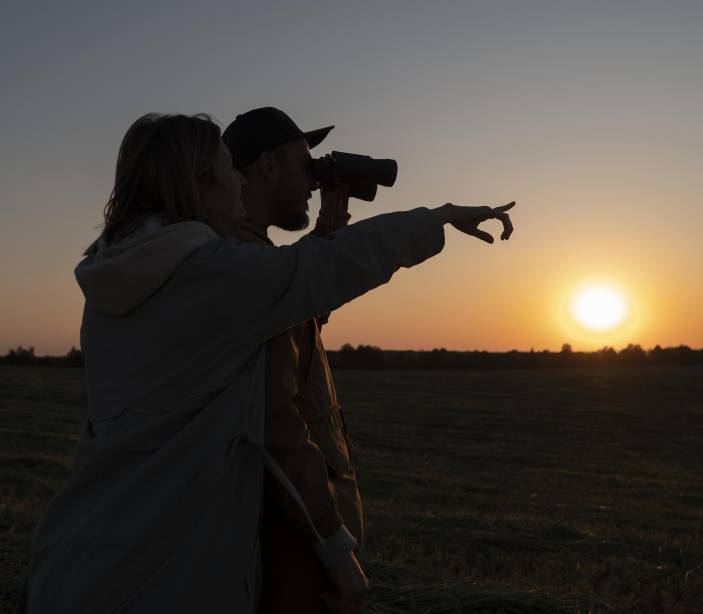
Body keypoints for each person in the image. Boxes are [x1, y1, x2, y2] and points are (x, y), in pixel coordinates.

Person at [18, 112, 515, 614]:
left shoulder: (124, 272)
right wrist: (440, 217)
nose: (237, 177)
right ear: (198, 184)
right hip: (161, 570)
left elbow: (272, 297)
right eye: (226, 168)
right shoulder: (211, 275)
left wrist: (327, 229)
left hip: (82, 550)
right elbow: (313, 275)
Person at [221, 107, 369, 614]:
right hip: (286, 528)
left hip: (287, 522)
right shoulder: (241, 264)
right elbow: (276, 421)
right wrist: (332, 542)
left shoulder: (250, 257)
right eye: (305, 165)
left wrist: (329, 224)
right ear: (266, 166)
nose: (313, 178)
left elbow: (300, 314)